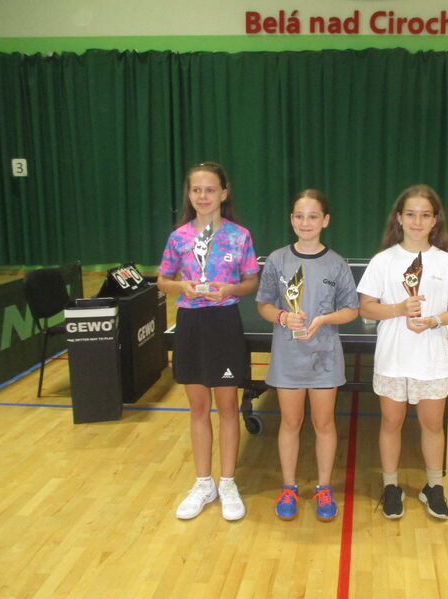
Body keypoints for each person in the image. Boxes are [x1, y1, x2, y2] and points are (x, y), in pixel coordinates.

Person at [356, 184, 448, 520]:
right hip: (393, 357)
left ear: (435, 221)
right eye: (410, 214)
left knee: (432, 424)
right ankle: (391, 486)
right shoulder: (383, 261)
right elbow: (366, 307)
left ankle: (434, 487)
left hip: (431, 359)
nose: (417, 221)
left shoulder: (447, 263)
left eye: (425, 215)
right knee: (391, 423)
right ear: (399, 218)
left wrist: (435, 320)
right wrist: (399, 309)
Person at [157, 162, 259, 521]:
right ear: (189, 194)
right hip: (190, 324)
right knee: (198, 408)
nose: (203, 196)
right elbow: (162, 280)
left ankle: (228, 482)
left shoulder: (239, 236)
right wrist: (181, 286)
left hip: (224, 323)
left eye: (210, 189)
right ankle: (204, 483)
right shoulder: (178, 237)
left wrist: (230, 290)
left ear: (223, 194)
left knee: (228, 407)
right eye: (196, 190)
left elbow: (251, 282)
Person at [256, 189, 359, 521]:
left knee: (324, 423)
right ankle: (289, 487)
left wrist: (324, 320)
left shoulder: (337, 263)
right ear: (291, 220)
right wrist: (282, 317)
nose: (305, 222)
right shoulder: (277, 260)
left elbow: (352, 310)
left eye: (313, 216)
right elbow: (263, 304)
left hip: (324, 357)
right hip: (288, 356)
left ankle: (324, 488)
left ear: (325, 221)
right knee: (291, 422)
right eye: (299, 216)